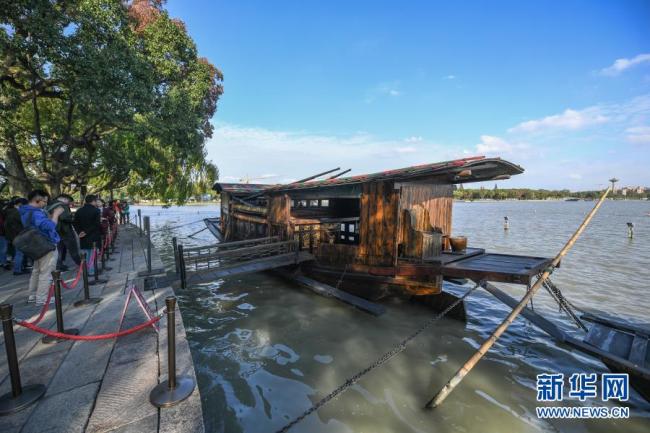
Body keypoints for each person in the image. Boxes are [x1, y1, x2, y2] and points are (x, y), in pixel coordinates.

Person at [20, 190, 63, 305]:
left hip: (34, 245)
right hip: (46, 244)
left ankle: (33, 296)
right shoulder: (36, 213)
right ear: (37, 200)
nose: (45, 204)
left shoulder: (24, 211)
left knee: (36, 271)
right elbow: (50, 226)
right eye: (44, 201)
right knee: (46, 272)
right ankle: (42, 298)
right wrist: (56, 215)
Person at [47, 193, 81, 271]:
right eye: (68, 201)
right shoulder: (62, 205)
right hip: (65, 231)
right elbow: (65, 217)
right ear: (64, 198)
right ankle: (80, 263)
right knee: (73, 249)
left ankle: (59, 265)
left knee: (59, 249)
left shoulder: (49, 204)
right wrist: (72, 217)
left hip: (54, 230)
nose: (68, 203)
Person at [74, 194, 102, 275]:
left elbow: (75, 223)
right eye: (96, 201)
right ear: (93, 201)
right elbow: (96, 224)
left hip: (83, 237)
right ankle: (92, 271)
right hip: (93, 236)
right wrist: (86, 232)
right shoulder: (96, 211)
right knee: (93, 255)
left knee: (85, 255)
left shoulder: (79, 211)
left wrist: (79, 232)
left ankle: (86, 271)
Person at [4, 197, 28, 275]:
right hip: (18, 235)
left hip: (13, 236)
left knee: (18, 253)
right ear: (20, 204)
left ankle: (20, 268)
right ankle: (17, 270)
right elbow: (23, 223)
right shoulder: (16, 213)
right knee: (19, 253)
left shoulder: (9, 212)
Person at [0, 200, 8, 269]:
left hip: (2, 233)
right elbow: (2, 224)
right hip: (1, 233)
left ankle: (2, 262)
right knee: (3, 249)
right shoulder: (2, 213)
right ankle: (4, 263)